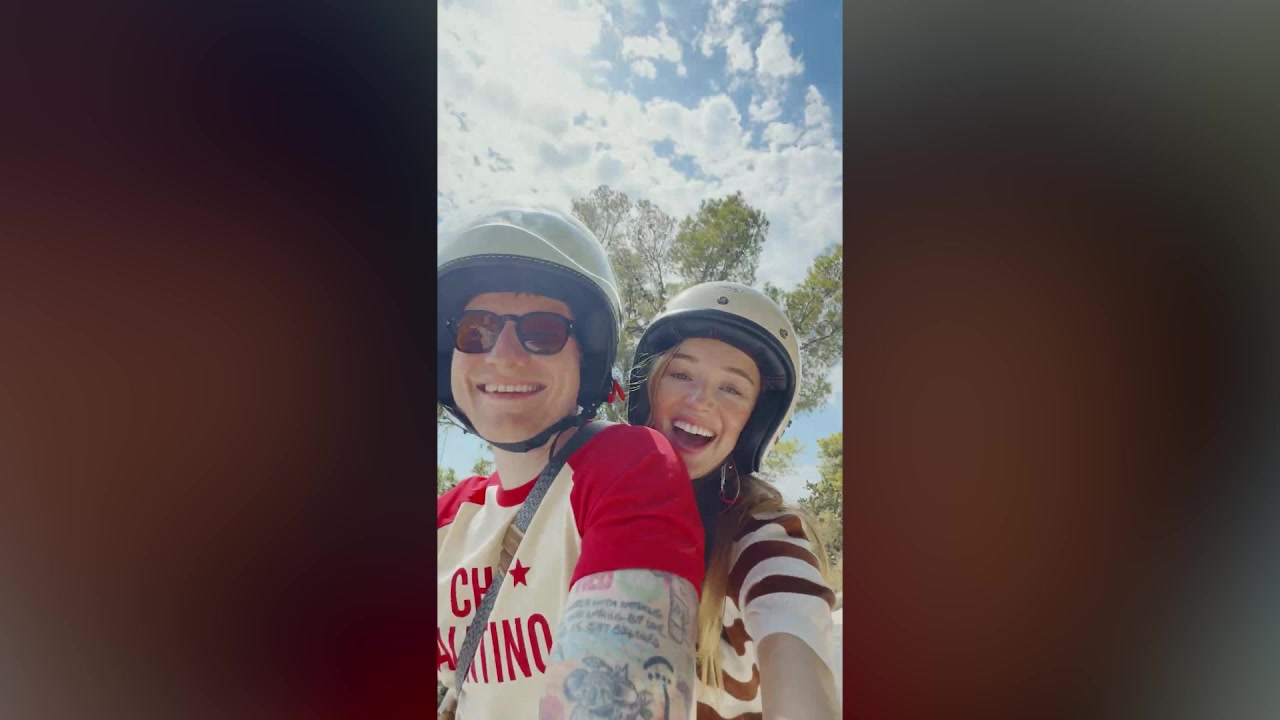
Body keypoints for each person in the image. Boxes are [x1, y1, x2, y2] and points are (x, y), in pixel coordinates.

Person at [436, 206, 706, 719]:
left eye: (543, 332)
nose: (504, 355)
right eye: (476, 330)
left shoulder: (627, 465)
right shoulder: (445, 520)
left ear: (587, 357)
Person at [627, 282, 841, 719]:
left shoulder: (761, 533)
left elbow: (794, 636)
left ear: (755, 424)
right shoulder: (586, 505)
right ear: (648, 388)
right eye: (681, 374)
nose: (701, 401)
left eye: (732, 389)